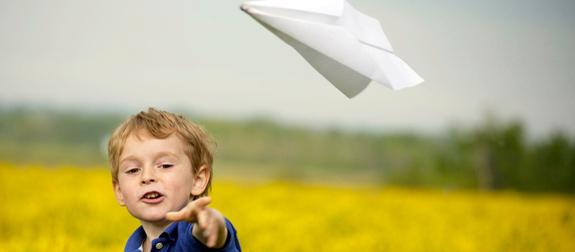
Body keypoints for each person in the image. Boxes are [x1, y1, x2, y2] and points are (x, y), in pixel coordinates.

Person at [107, 107, 241, 252]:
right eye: (133, 170)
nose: (147, 177)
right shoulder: (132, 246)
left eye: (165, 165)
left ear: (198, 180)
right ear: (119, 190)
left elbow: (211, 235)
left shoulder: (192, 236)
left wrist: (210, 223)